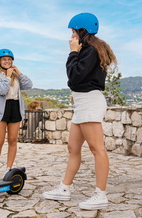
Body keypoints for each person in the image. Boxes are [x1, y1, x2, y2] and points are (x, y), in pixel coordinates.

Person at [42, 13, 117, 210]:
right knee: (73, 149)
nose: (72, 35)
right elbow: (76, 79)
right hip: (82, 103)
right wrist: (76, 52)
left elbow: (74, 77)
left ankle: (100, 194)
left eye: (74, 31)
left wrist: (73, 52)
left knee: (97, 149)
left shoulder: (89, 50)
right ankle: (64, 188)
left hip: (89, 102)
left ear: (82, 31)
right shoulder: (89, 50)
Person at [0, 49, 33, 178]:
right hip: (0, 110)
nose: (7, 61)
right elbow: (2, 90)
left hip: (15, 108)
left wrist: (18, 73)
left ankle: (9, 168)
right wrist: (7, 77)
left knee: (12, 140)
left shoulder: (16, 77)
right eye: (4, 59)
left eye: (9, 59)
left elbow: (29, 85)